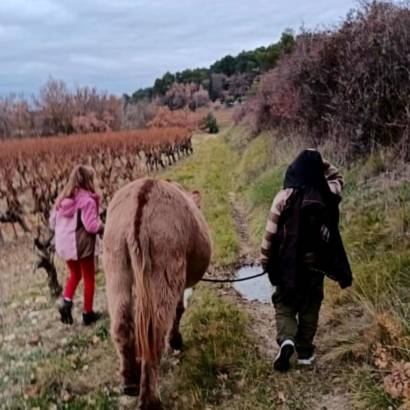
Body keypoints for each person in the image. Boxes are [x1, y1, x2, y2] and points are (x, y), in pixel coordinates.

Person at [260, 149, 352, 372]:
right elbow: (338, 178)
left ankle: (287, 339)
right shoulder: (328, 192)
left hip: (287, 264)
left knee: (284, 303)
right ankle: (304, 351)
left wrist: (265, 260)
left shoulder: (283, 197)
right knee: (311, 305)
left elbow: (269, 234)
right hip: (315, 265)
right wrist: (321, 162)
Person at [50, 165, 104, 326]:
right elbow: (91, 226)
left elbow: (52, 222)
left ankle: (66, 303)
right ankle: (88, 313)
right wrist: (103, 227)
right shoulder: (87, 201)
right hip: (81, 245)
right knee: (89, 278)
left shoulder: (63, 199)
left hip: (64, 244)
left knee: (74, 274)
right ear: (88, 180)